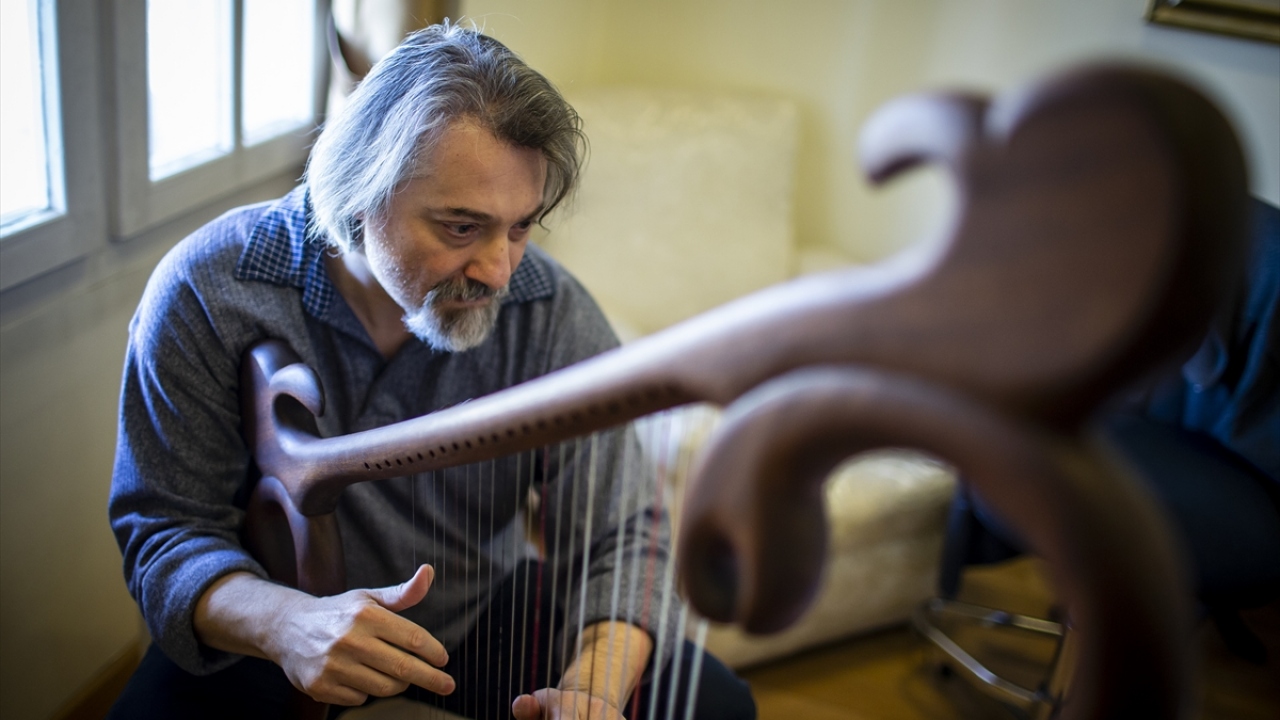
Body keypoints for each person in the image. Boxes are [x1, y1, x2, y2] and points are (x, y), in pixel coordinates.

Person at [107, 23, 755, 720]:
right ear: (359, 193)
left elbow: (623, 531)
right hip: (263, 631)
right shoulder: (210, 288)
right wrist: (286, 624)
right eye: (460, 227)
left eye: (520, 226)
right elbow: (165, 529)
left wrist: (591, 690)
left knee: (716, 705)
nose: (499, 270)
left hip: (478, 617)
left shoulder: (547, 309)